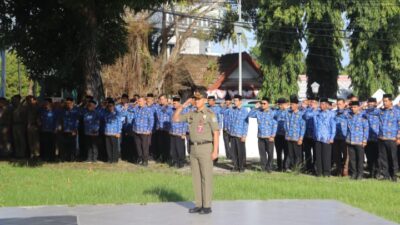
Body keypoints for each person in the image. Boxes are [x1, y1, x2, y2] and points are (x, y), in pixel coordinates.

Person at [173, 89, 219, 214]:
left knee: (206, 177)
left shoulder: (210, 114)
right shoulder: (192, 114)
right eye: (195, 99)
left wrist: (215, 151)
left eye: (198, 99)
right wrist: (183, 105)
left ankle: (207, 206)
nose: (196, 101)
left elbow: (216, 133)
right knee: (196, 178)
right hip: (193, 148)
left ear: (204, 100)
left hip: (205, 147)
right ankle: (199, 204)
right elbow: (175, 119)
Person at [248, 97, 277, 172]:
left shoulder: (272, 112)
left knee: (270, 153)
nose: (262, 105)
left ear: (268, 104)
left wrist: (273, 135)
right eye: (261, 103)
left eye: (264, 103)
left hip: (269, 136)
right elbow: (250, 115)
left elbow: (275, 124)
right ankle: (264, 168)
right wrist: (255, 108)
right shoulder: (258, 112)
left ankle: (269, 167)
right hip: (260, 136)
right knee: (262, 153)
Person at [378, 94, 399, 182]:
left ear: (391, 101)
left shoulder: (397, 112)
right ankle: (386, 175)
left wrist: (398, 137)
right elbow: (368, 111)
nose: (384, 103)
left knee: (393, 158)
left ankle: (394, 176)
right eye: (383, 101)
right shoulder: (381, 111)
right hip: (382, 138)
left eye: (386, 101)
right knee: (383, 158)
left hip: (392, 139)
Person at [313, 97, 336, 177]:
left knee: (326, 156)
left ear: (327, 105)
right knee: (318, 156)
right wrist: (314, 109)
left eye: (323, 104)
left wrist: (332, 137)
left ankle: (326, 173)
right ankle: (319, 172)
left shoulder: (331, 114)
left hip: (327, 138)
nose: (321, 105)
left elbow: (333, 126)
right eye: (320, 104)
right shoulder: (316, 113)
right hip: (318, 137)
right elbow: (306, 115)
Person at [346, 101, 369, 180]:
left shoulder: (363, 116)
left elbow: (366, 129)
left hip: (359, 141)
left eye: (355, 107)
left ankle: (360, 174)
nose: (353, 109)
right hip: (350, 140)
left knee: (360, 159)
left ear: (359, 107)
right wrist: (347, 105)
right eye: (352, 107)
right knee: (352, 159)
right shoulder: (349, 115)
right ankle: (353, 173)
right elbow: (343, 110)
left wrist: (364, 140)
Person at [131, 96, 154, 166]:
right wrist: (134, 104)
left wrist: (149, 130)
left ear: (145, 101)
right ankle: (140, 158)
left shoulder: (148, 110)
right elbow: (129, 109)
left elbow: (151, 120)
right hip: (136, 130)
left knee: (144, 147)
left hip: (144, 131)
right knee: (138, 146)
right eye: (138, 101)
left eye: (140, 101)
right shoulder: (137, 108)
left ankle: (145, 161)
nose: (139, 102)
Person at [284, 95, 305, 171]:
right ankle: (291, 168)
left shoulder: (301, 114)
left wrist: (301, 138)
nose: (291, 106)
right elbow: (285, 124)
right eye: (290, 104)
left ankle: (298, 168)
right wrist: (287, 134)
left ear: (297, 105)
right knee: (290, 154)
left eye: (292, 104)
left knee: (298, 155)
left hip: (297, 138)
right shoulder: (288, 113)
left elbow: (303, 127)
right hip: (289, 137)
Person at [230, 94, 249, 172]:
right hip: (233, 133)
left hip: (240, 134)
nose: (234, 102)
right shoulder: (233, 110)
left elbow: (246, 123)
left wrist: (244, 135)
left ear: (240, 101)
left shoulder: (244, 110)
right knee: (233, 152)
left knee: (240, 151)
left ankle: (241, 167)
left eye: (236, 100)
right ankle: (235, 166)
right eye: (234, 100)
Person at [170, 96, 188, 168]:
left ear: (179, 103)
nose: (174, 104)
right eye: (173, 103)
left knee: (180, 148)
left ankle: (181, 162)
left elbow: (185, 122)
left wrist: (184, 132)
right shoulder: (172, 110)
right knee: (173, 149)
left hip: (180, 132)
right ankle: (175, 161)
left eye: (175, 103)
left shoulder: (184, 110)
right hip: (172, 132)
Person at [59, 97, 80, 162]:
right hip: (65, 130)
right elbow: (61, 119)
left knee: (72, 145)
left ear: (72, 103)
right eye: (67, 103)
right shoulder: (63, 110)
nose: (68, 104)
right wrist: (60, 127)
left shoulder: (76, 110)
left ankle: (72, 158)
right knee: (65, 144)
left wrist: (75, 129)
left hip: (72, 130)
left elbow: (77, 121)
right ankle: (65, 158)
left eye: (69, 103)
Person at [364, 97, 380, 178]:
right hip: (367, 138)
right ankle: (371, 172)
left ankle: (377, 172)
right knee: (369, 157)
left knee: (377, 157)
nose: (370, 104)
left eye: (372, 103)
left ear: (375, 103)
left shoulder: (379, 112)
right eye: (369, 103)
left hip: (377, 138)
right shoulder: (365, 112)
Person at [333, 98, 349, 176]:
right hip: (336, 137)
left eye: (340, 104)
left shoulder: (347, 113)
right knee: (337, 154)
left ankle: (345, 169)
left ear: (344, 104)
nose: (339, 106)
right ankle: (338, 170)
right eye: (338, 104)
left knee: (346, 154)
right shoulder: (334, 113)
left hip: (344, 137)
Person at [154, 94, 173, 162]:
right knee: (160, 144)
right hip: (159, 128)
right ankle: (161, 158)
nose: (161, 101)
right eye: (160, 99)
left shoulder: (170, 108)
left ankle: (167, 158)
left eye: (162, 99)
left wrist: (166, 106)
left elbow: (170, 115)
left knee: (167, 144)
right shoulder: (157, 107)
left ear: (166, 99)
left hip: (167, 129)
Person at [103, 99, 123, 163]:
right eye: (108, 106)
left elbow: (119, 123)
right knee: (108, 147)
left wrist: (118, 132)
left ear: (114, 106)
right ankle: (109, 159)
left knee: (114, 146)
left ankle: (115, 159)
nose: (110, 107)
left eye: (111, 106)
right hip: (107, 132)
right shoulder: (106, 113)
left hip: (114, 133)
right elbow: (101, 116)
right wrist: (104, 107)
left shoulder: (117, 113)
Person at [274, 98, 288, 171]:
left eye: (281, 104)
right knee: (278, 151)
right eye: (279, 104)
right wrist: (275, 106)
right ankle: (279, 167)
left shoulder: (288, 111)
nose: (280, 106)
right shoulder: (276, 112)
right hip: (278, 134)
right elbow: (272, 114)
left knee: (286, 152)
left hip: (286, 134)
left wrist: (286, 109)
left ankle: (285, 166)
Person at [221, 95, 233, 159]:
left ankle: (233, 155)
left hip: (231, 129)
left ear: (231, 101)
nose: (227, 102)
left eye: (228, 101)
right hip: (225, 129)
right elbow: (220, 111)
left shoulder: (233, 109)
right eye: (226, 101)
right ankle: (228, 156)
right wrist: (222, 106)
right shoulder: (224, 109)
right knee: (226, 143)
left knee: (232, 144)